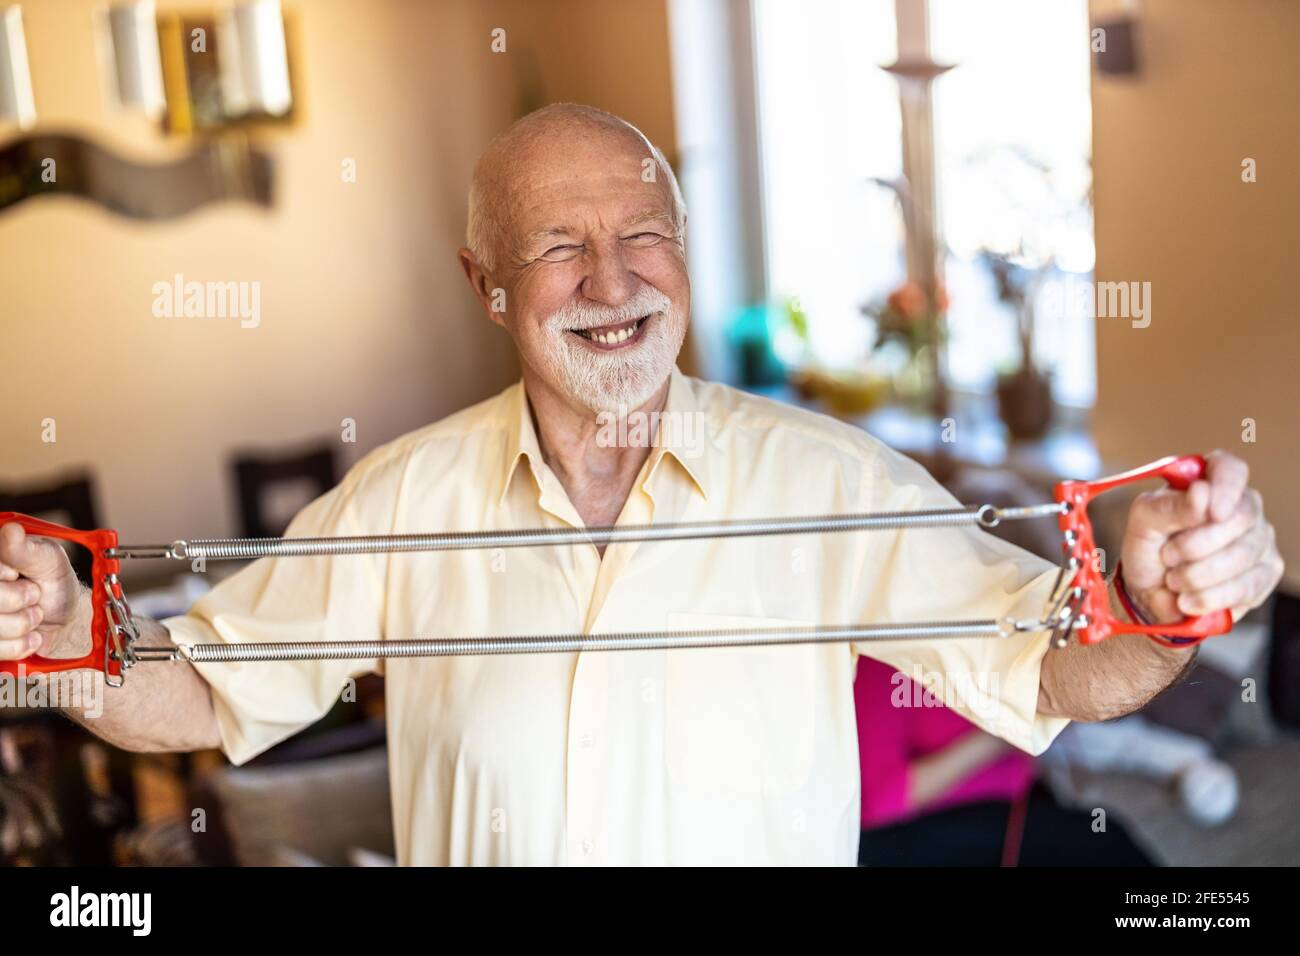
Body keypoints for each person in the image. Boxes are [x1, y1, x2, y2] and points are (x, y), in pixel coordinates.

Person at [0, 104, 1283, 865]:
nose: (613, 283)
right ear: (486, 284)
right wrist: (70, 638)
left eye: (644, 235)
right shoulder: (398, 498)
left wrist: (1157, 598)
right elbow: (204, 694)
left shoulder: (827, 475)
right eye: (559, 247)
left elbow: (1053, 668)